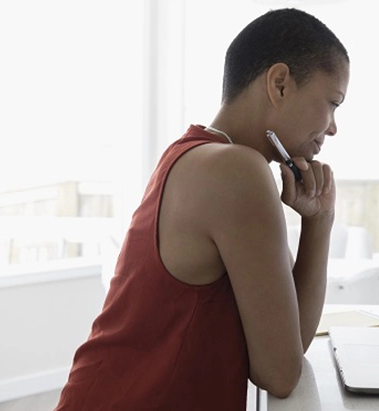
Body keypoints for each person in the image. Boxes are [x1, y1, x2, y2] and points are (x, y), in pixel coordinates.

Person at [55, 7, 349, 410]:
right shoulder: (236, 171)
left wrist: (319, 220)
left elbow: (286, 346)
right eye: (333, 103)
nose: (333, 127)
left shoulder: (198, 154)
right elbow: (280, 374)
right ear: (279, 84)